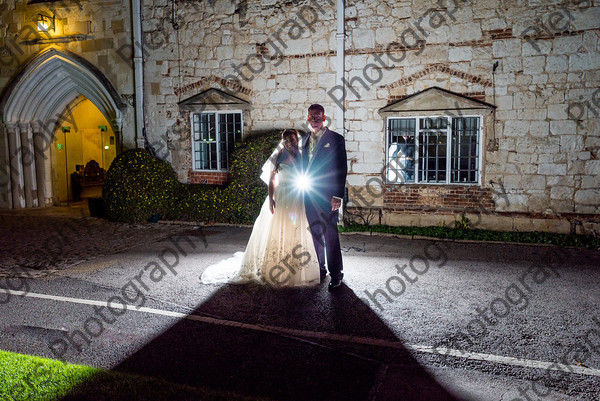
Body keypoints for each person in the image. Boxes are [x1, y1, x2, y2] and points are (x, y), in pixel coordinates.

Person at [200, 129, 320, 287]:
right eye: (287, 140)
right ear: (283, 142)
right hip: (282, 195)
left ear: (296, 140)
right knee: (278, 229)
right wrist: (271, 199)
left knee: (296, 230)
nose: (291, 143)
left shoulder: (301, 156)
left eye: (293, 139)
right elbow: (272, 179)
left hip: (297, 196)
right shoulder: (279, 155)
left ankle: (295, 267)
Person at [301, 104, 348, 291]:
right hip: (308, 194)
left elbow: (341, 168)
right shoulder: (304, 140)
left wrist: (338, 195)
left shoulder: (336, 139)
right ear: (307, 118)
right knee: (315, 233)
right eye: (312, 116)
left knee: (330, 235)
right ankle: (320, 269)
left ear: (324, 117)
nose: (315, 119)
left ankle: (336, 274)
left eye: (318, 116)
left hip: (329, 196)